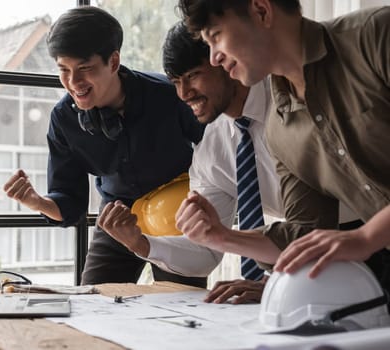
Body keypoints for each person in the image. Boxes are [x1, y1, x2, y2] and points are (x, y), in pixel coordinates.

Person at [98, 21, 360, 303]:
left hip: (368, 226)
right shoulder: (212, 148)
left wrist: (275, 281)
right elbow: (206, 252)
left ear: (224, 61)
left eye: (193, 75)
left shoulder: (291, 97)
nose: (184, 94)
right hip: (308, 249)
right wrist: (143, 244)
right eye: (176, 82)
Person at [175, 0, 390, 290]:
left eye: (215, 36)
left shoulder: (376, 37)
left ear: (261, 10)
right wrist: (222, 236)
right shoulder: (279, 130)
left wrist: (367, 237)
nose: (214, 58)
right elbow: (307, 233)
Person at [3, 6, 206, 287]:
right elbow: (69, 204)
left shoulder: (169, 96)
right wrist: (36, 201)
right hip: (115, 217)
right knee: (92, 304)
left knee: (185, 307)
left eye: (84, 69)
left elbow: (218, 147)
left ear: (113, 61)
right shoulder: (64, 119)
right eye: (64, 70)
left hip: (176, 217)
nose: (74, 83)